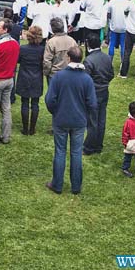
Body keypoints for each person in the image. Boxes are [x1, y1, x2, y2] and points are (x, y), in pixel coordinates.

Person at [44, 46, 98, 195]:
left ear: (68, 58)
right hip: (79, 121)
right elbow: (92, 103)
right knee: (76, 153)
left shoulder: (59, 77)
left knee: (60, 152)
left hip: (61, 119)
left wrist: (55, 112)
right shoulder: (86, 79)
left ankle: (57, 184)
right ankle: (76, 186)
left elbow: (49, 100)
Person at [82, 34, 114, 155]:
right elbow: (111, 74)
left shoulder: (88, 60)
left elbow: (86, 79)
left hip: (93, 93)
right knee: (101, 120)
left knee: (92, 121)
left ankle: (89, 147)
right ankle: (98, 145)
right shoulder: (107, 58)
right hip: (104, 91)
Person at [16, 26, 45, 136]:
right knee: (35, 103)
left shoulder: (23, 48)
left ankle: (25, 128)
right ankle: (32, 128)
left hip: (24, 76)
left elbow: (18, 60)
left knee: (24, 102)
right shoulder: (42, 49)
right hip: (37, 77)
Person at [43, 17, 77, 83]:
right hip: (70, 73)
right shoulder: (72, 41)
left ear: (52, 28)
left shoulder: (51, 42)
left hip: (55, 74)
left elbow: (47, 61)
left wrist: (46, 73)